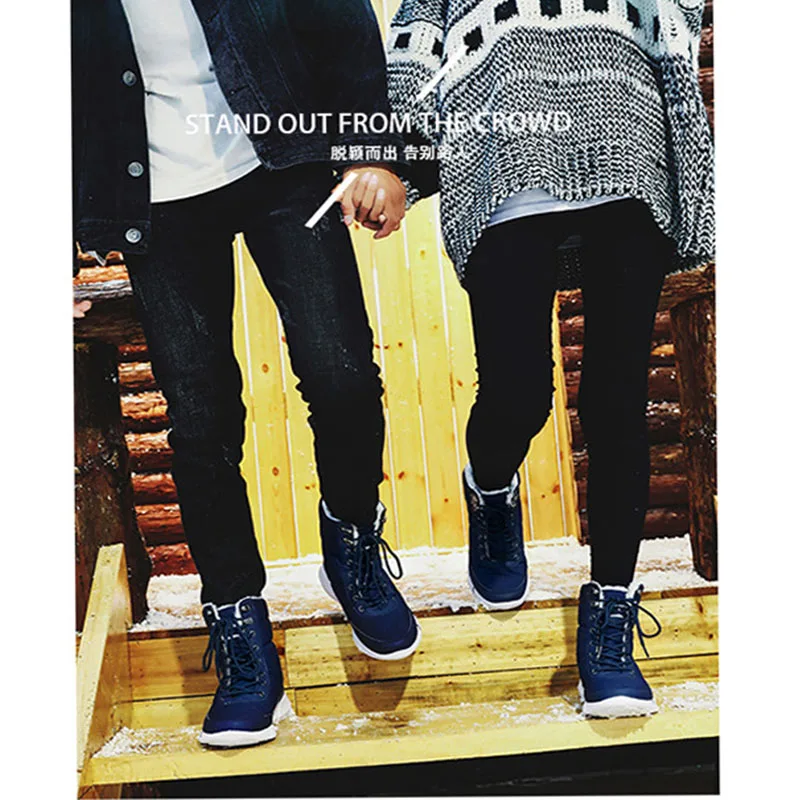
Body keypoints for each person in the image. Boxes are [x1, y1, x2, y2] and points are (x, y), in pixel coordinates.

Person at [73, 0, 422, 748]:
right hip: (156, 202)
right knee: (201, 423)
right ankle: (237, 623)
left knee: (341, 375)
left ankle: (352, 540)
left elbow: (341, 22)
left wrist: (374, 154)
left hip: (284, 164)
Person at [386, 0, 714, 718]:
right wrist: (394, 160)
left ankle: (611, 620)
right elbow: (413, 41)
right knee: (520, 394)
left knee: (615, 404)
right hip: (503, 160)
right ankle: (491, 487)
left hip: (627, 139)